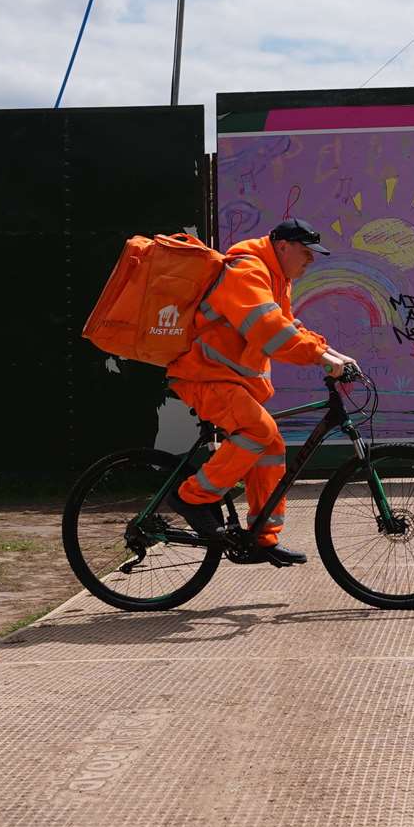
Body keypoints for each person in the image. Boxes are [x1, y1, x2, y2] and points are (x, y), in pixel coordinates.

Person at [163, 218, 357, 566]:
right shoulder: (246, 270)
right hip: (205, 376)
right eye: (305, 252)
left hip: (230, 380)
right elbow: (269, 332)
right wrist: (320, 359)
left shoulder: (276, 278)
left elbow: (288, 325)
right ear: (282, 247)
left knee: (270, 446)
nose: (310, 260)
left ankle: (261, 539)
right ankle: (191, 498)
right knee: (258, 430)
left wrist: (334, 354)